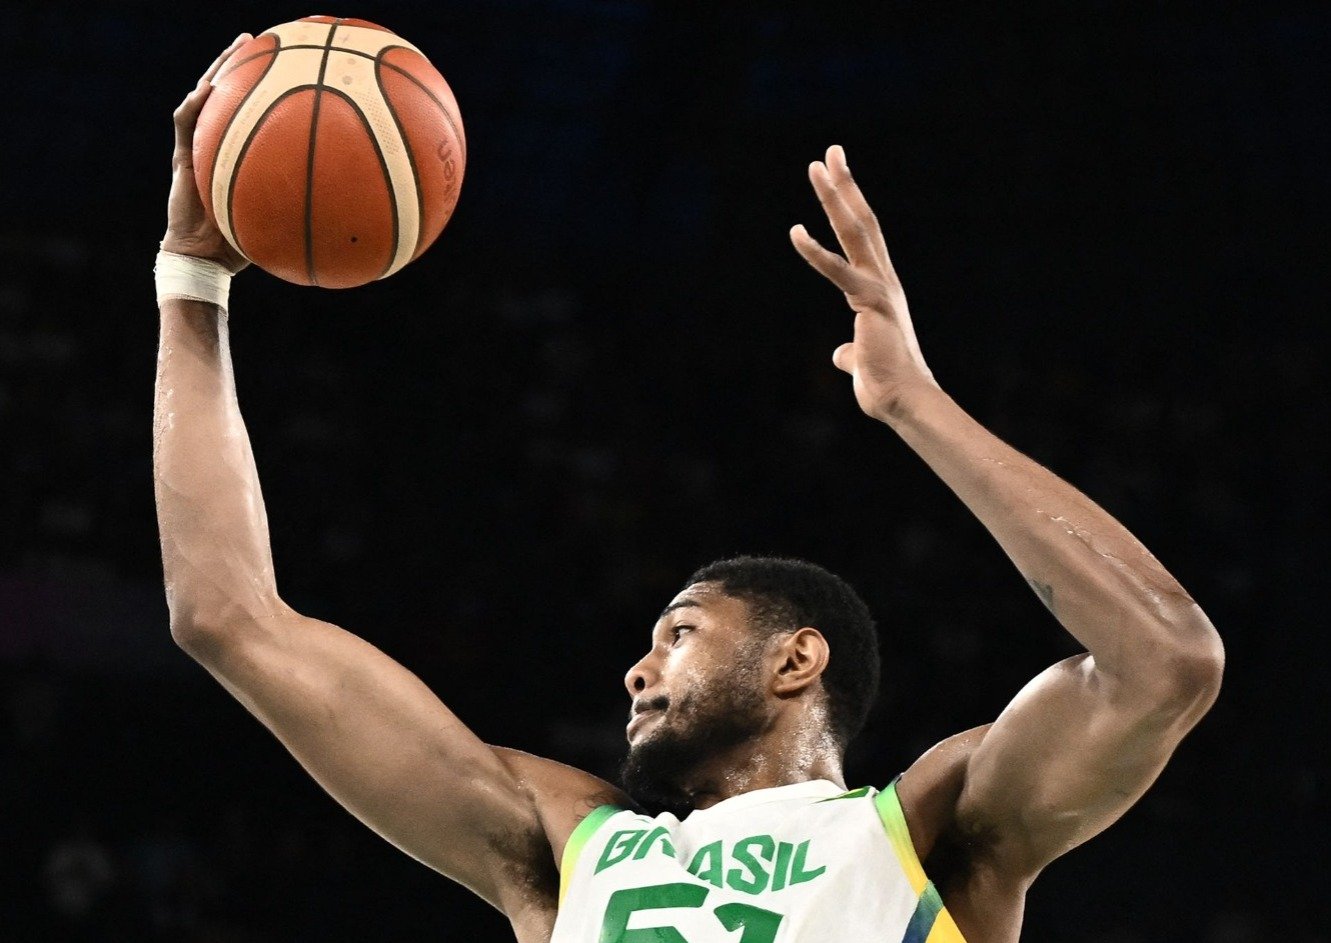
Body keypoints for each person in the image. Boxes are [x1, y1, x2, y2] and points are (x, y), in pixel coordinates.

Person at [153, 38, 1224, 943]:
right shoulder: (561, 846)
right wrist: (190, 281)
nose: (634, 669)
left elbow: (1162, 659)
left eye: (678, 632)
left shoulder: (929, 831)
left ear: (796, 657)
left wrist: (915, 406)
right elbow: (229, 618)